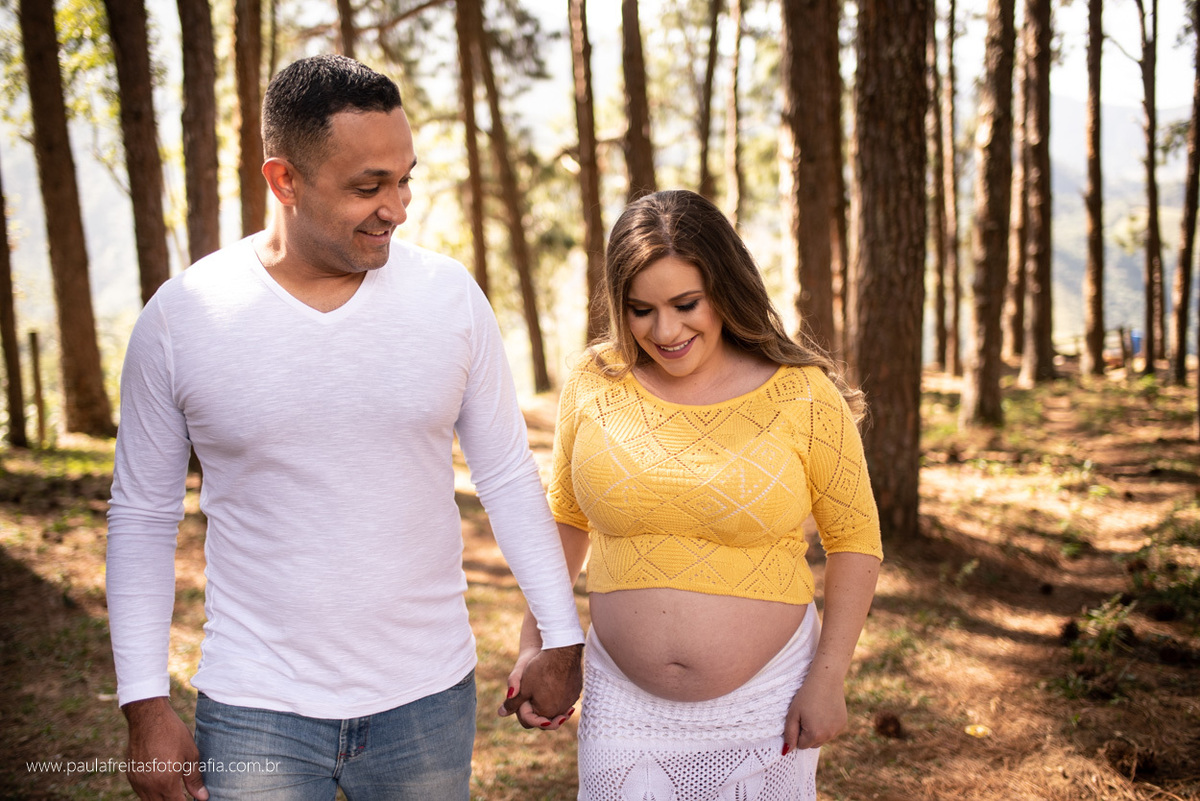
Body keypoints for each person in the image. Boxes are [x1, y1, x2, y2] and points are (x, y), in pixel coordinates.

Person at [106, 54, 584, 801]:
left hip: (427, 699)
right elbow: (141, 517)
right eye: (369, 186)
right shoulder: (184, 317)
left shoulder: (449, 298)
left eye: (404, 179)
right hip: (256, 704)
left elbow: (509, 478)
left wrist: (561, 633)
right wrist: (144, 702)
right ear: (284, 180)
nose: (397, 207)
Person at [500, 189, 883, 800]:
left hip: (769, 700)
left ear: (725, 290)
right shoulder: (594, 384)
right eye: (641, 309)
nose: (666, 330)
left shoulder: (803, 395)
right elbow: (566, 521)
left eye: (686, 304)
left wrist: (829, 677)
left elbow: (856, 543)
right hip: (621, 706)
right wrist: (538, 645)